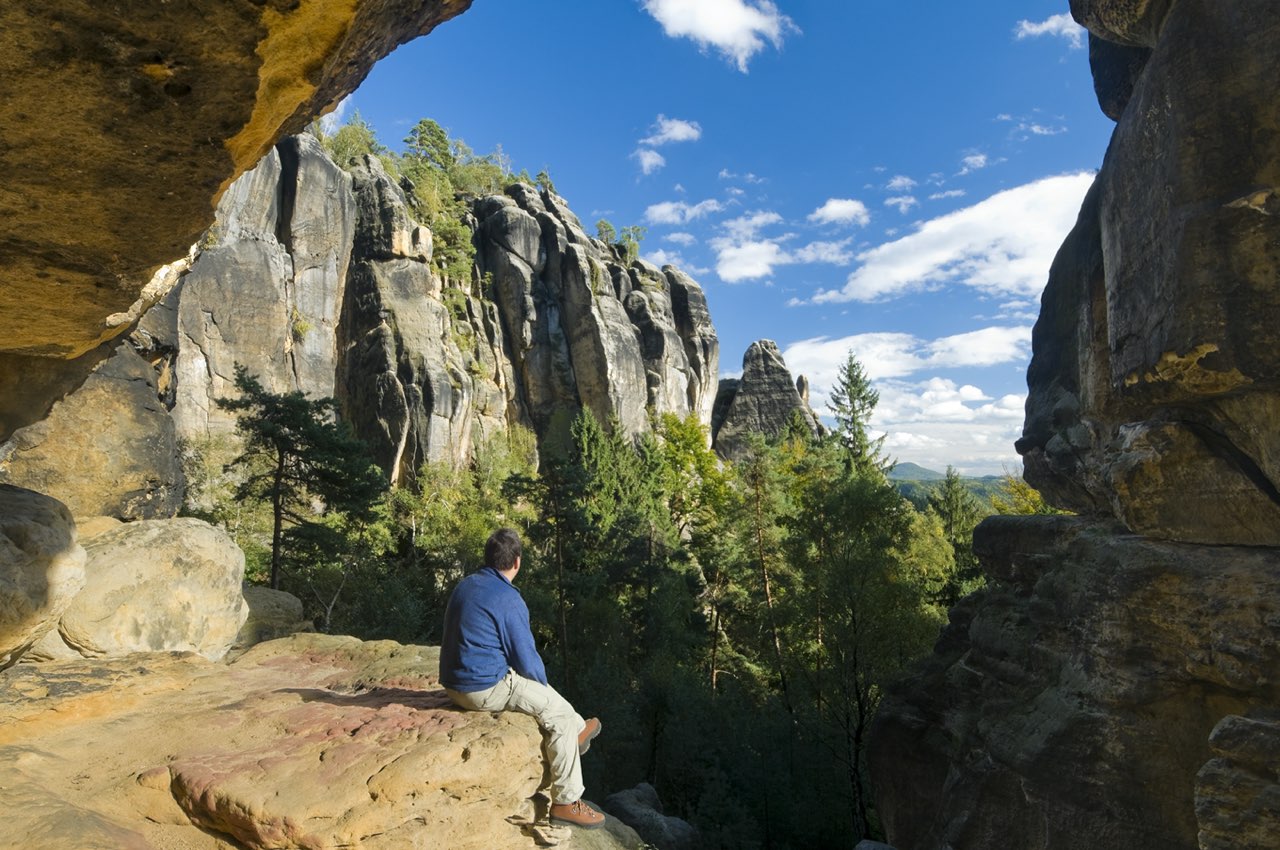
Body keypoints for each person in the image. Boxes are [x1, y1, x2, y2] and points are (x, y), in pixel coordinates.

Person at [439, 527, 605, 829]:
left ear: (488, 558)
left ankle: (578, 731)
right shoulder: (508, 599)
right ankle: (567, 802)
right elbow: (527, 662)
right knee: (557, 715)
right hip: (482, 688)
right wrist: (543, 688)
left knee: (553, 706)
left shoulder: (467, 584)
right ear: (517, 562)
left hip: (455, 683)